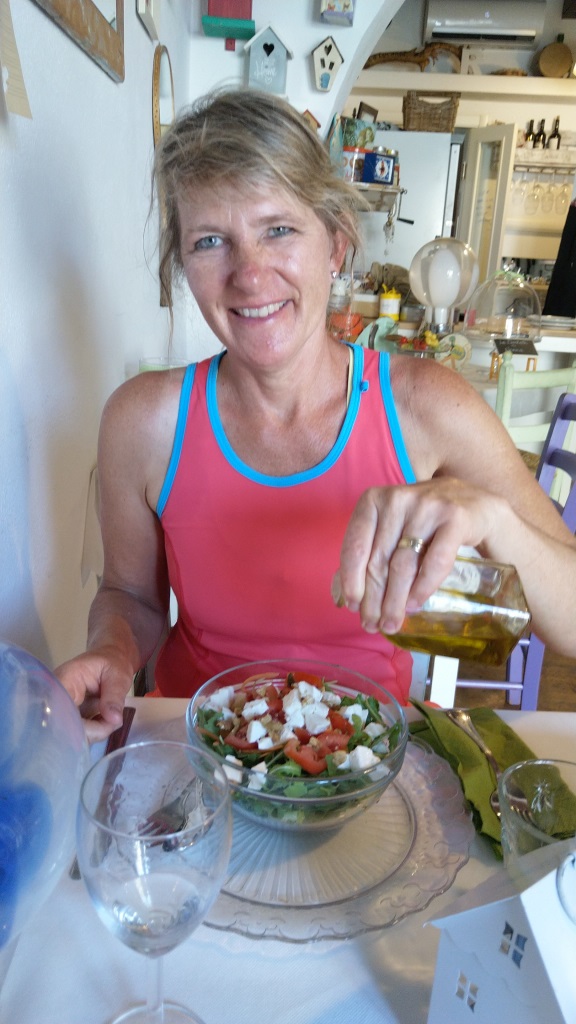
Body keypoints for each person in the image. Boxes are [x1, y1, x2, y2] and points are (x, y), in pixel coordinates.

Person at [56, 88, 576, 742]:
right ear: (182, 264)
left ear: (335, 243)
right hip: (198, 749)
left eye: (278, 229)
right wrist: (112, 650)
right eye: (210, 241)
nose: (250, 275)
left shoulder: (427, 407)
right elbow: (130, 597)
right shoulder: (142, 422)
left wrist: (492, 517)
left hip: (363, 757)